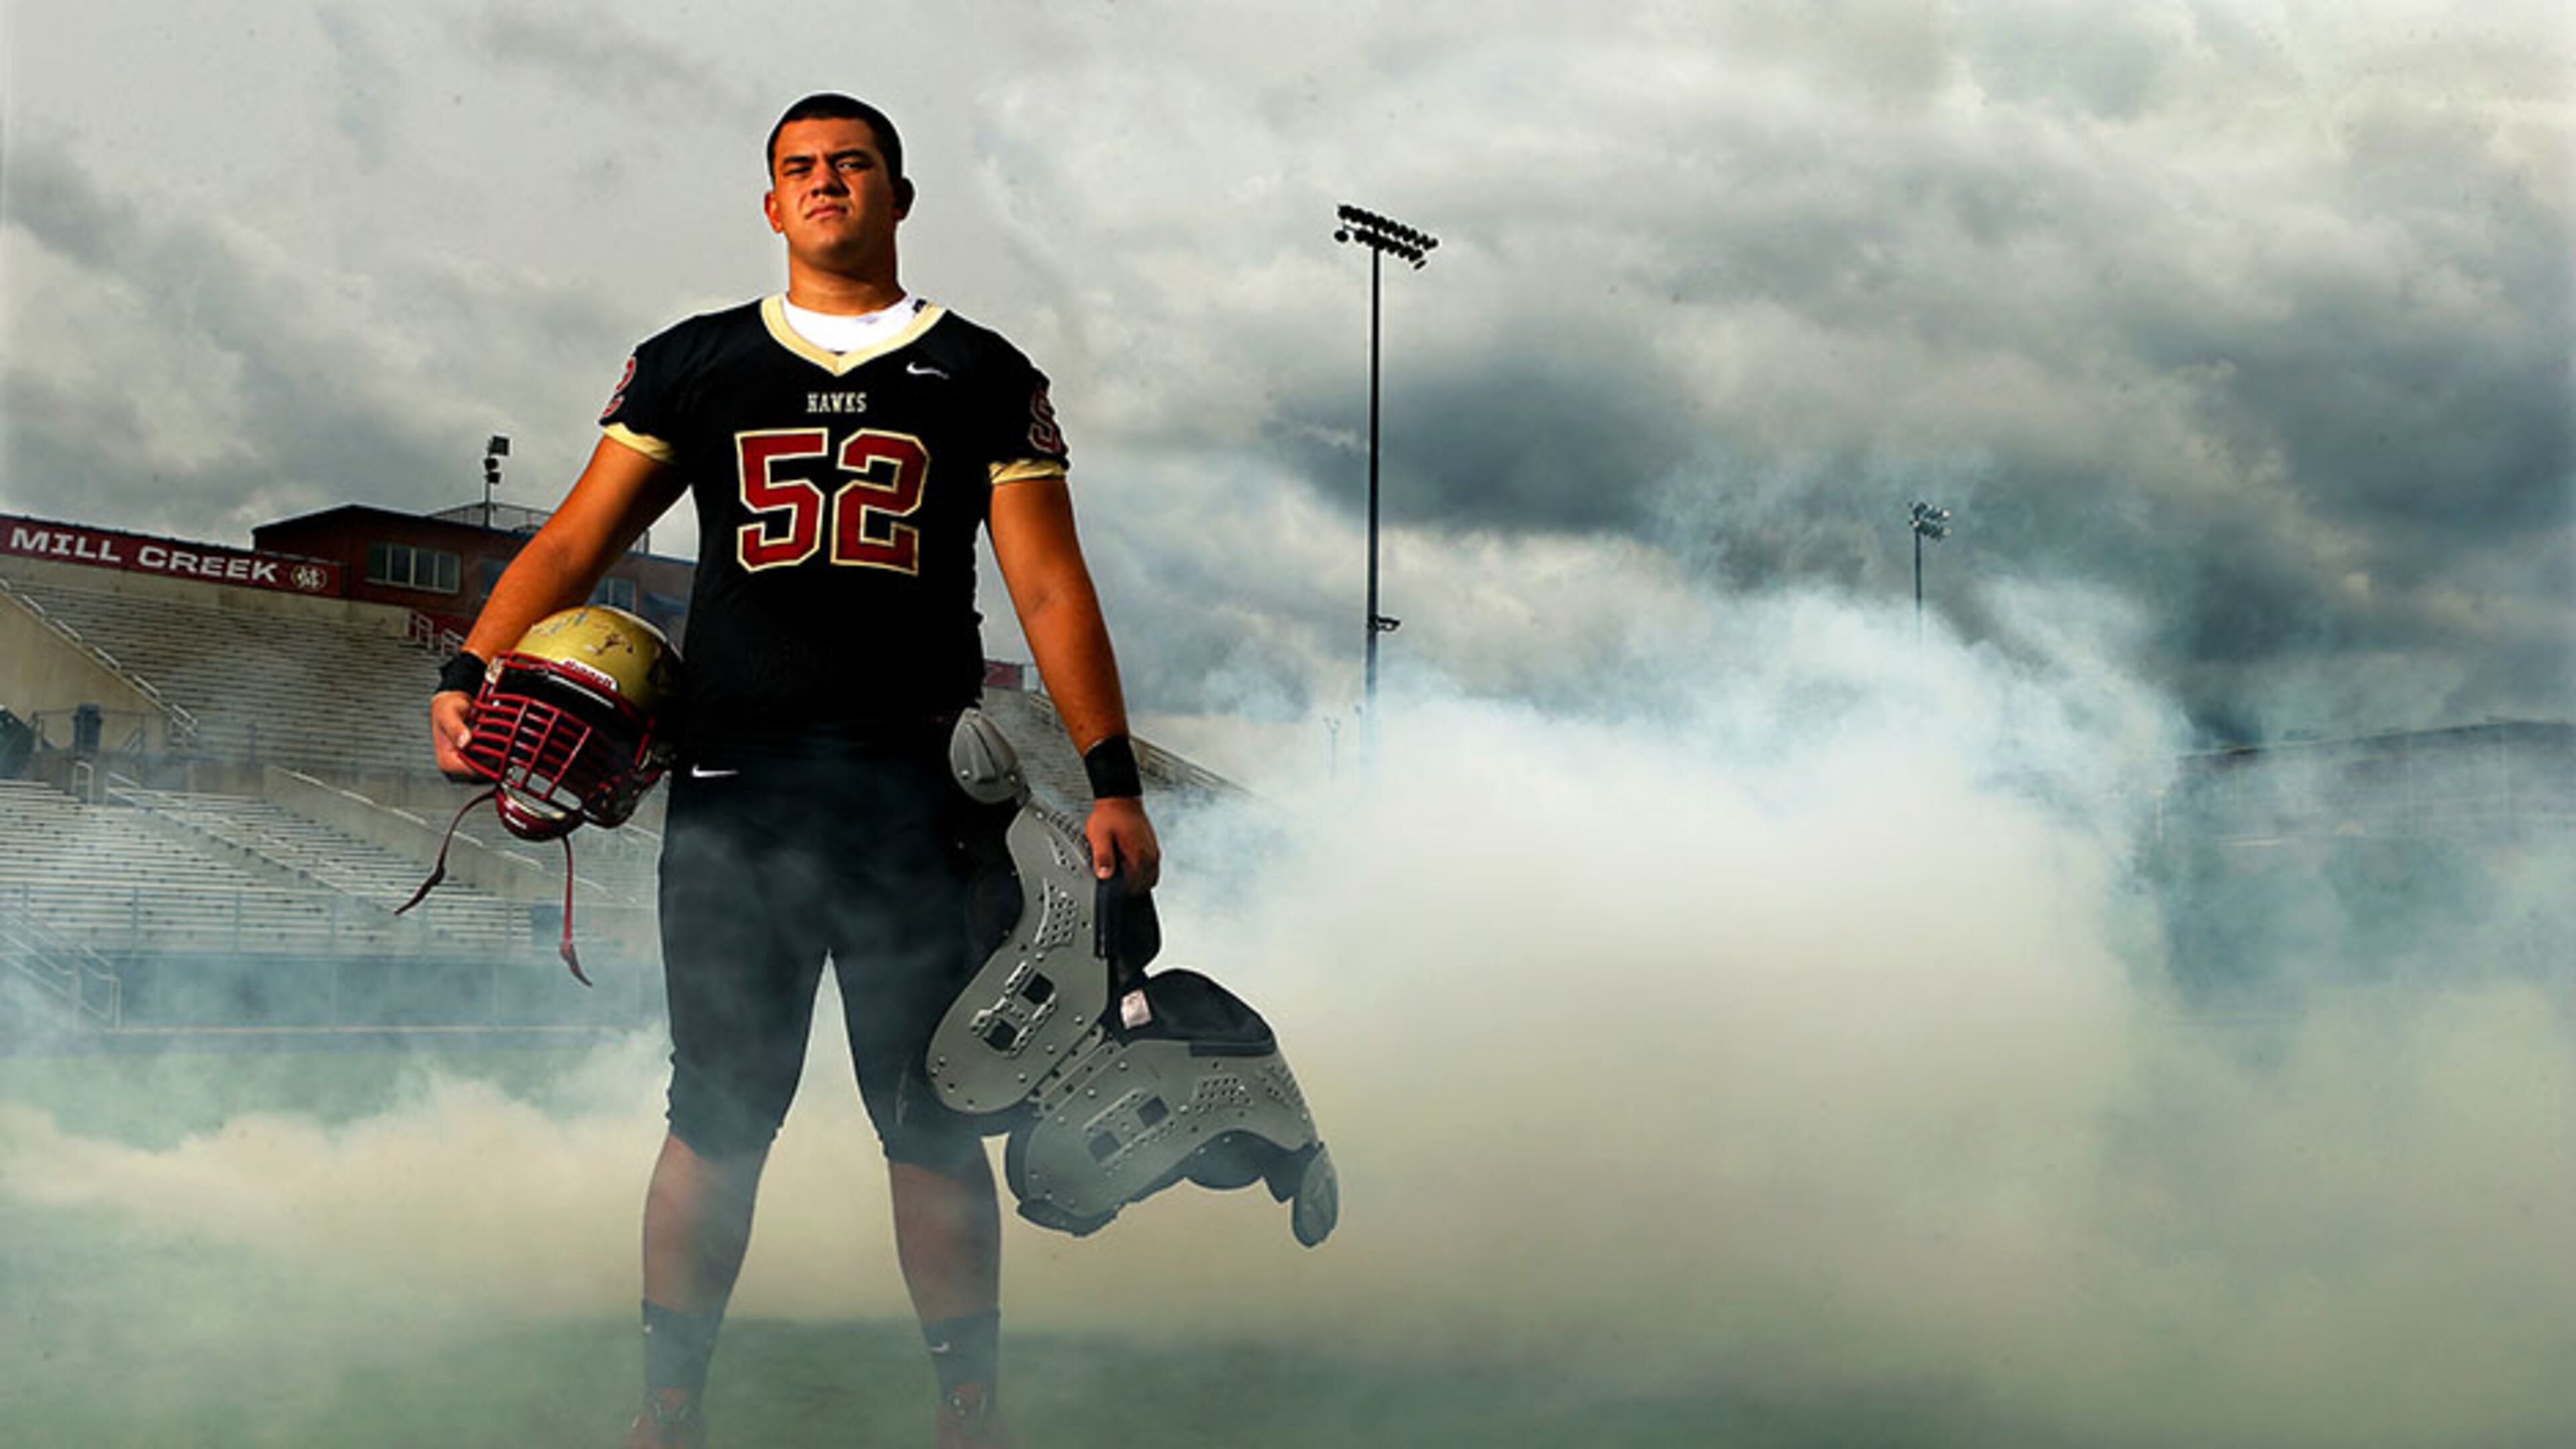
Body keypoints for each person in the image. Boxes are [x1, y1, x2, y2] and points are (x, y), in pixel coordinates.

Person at [429, 92, 1161, 1449]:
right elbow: (580, 534)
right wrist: (468, 666)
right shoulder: (695, 362)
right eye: (801, 169)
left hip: (921, 796)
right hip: (737, 790)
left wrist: (1112, 776)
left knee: (932, 1122)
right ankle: (667, 1417)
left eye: (853, 164)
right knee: (713, 1118)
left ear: (899, 192)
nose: (827, 183)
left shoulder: (986, 372)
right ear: (772, 204)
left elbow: (1049, 586)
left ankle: (968, 1420)